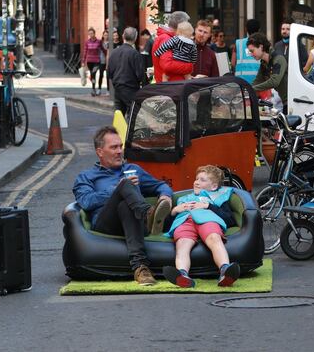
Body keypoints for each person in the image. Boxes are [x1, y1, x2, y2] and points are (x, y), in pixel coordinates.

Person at [72, 126, 174, 285]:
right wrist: (117, 189)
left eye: (120, 146)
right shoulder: (86, 176)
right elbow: (86, 201)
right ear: (100, 152)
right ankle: (147, 214)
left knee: (125, 206)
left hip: (133, 219)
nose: (120, 151)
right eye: (114, 147)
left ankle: (141, 268)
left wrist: (165, 197)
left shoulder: (133, 169)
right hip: (106, 224)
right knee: (125, 186)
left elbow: (161, 185)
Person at [162, 165, 241, 288]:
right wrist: (175, 211)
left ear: (214, 186)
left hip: (207, 219)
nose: (197, 182)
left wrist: (207, 206)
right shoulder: (184, 199)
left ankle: (225, 270)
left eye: (202, 180)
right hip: (185, 220)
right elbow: (165, 226)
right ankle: (182, 274)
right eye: (196, 179)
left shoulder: (219, 197)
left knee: (214, 238)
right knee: (182, 243)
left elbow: (229, 219)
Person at [106, 27, 147, 115]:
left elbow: (109, 72)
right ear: (135, 38)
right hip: (131, 88)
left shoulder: (114, 52)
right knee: (134, 114)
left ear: (123, 36)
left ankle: (117, 129)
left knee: (118, 116)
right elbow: (140, 75)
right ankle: (130, 129)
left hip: (117, 88)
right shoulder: (135, 54)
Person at [248, 33, 288, 113]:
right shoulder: (264, 63)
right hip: (283, 102)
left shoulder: (278, 59)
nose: (251, 54)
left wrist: (252, 89)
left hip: (290, 102)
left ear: (261, 47)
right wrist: (244, 90)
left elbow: (274, 82)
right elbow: (257, 81)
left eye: (252, 51)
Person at [151, 11, 193, 83]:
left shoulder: (169, 38)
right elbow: (167, 65)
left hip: (171, 86)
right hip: (170, 88)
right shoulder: (166, 39)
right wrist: (189, 67)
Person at [231, 19, 260, 84]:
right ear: (259, 29)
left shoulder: (238, 43)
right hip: (258, 81)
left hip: (241, 81)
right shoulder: (263, 43)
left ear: (246, 29)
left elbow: (233, 63)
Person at [81, 27, 105, 96]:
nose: (91, 35)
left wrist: (106, 57)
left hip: (97, 61)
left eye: (92, 33)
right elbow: (85, 51)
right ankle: (93, 88)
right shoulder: (87, 42)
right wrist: (83, 61)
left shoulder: (99, 41)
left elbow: (103, 50)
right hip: (89, 61)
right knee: (92, 75)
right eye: (89, 34)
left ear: (94, 33)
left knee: (94, 73)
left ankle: (94, 88)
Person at [97, 30, 109, 95]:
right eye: (105, 35)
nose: (106, 36)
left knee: (108, 76)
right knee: (101, 75)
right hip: (101, 61)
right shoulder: (100, 43)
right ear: (103, 35)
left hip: (108, 62)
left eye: (107, 35)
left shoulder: (110, 43)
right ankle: (99, 89)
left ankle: (108, 90)